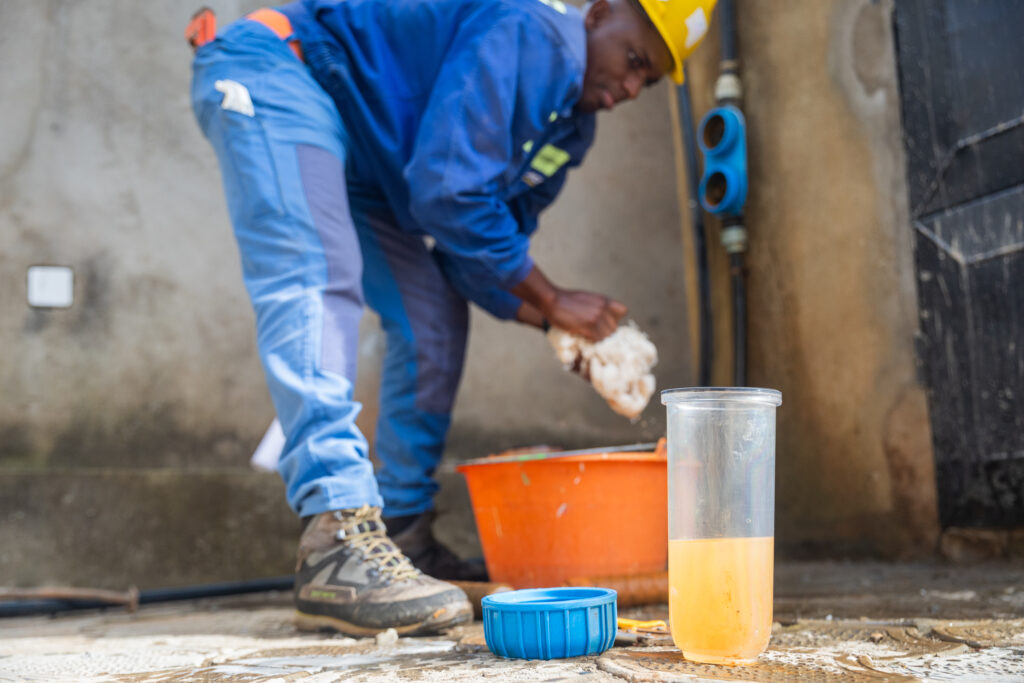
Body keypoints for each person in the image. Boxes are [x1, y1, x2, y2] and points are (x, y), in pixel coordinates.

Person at [190, 0, 715, 636]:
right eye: (634, 60)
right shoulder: (538, 34)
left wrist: (558, 328)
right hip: (285, 70)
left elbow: (479, 252)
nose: (631, 88)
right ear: (600, 12)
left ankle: (402, 538)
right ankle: (336, 539)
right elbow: (448, 192)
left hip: (370, 161)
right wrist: (551, 297)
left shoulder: (569, 129)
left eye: (650, 81)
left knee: (431, 313)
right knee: (318, 274)